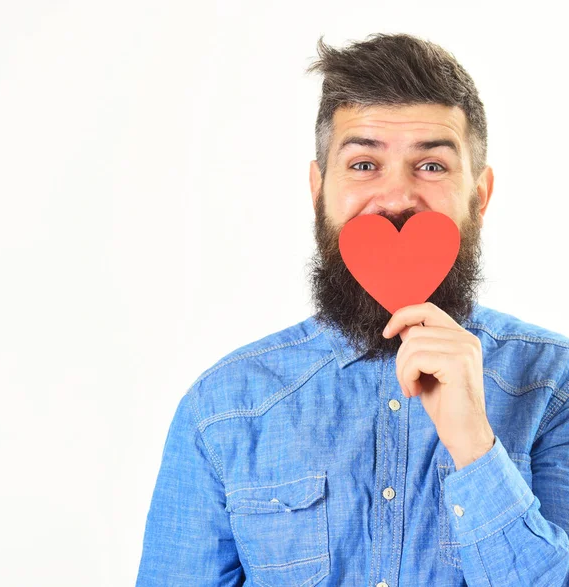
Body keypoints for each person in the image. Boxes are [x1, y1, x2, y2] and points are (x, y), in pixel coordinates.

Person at [135, 32, 569, 586]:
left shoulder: (557, 386)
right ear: (318, 189)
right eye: (364, 164)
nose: (396, 197)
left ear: (479, 197)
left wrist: (476, 449)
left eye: (432, 166)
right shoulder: (223, 410)